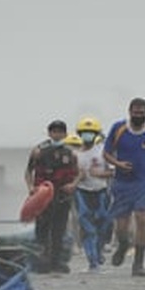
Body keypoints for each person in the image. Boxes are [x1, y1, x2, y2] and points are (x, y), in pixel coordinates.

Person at [102, 97, 145, 276]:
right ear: (129, 112)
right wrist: (118, 164)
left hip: (143, 182)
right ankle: (123, 244)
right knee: (121, 225)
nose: (138, 115)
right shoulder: (119, 128)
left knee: (141, 219)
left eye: (142, 112)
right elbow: (106, 153)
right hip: (122, 183)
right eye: (135, 112)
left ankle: (138, 264)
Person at [25, 119, 81, 273]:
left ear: (65, 134)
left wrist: (73, 185)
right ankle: (42, 263)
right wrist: (31, 188)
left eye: (60, 132)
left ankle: (55, 263)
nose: (57, 135)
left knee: (59, 230)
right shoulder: (38, 151)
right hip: (43, 194)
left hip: (62, 194)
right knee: (42, 229)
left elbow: (79, 173)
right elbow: (28, 172)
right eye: (54, 131)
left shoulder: (70, 153)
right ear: (49, 133)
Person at [72, 116, 113, 272]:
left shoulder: (103, 151)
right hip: (82, 193)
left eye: (90, 132)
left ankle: (99, 250)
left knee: (104, 224)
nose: (87, 136)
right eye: (84, 132)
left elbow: (115, 171)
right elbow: (71, 174)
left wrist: (101, 174)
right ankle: (92, 261)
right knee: (87, 227)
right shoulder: (75, 155)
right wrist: (77, 178)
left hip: (101, 192)